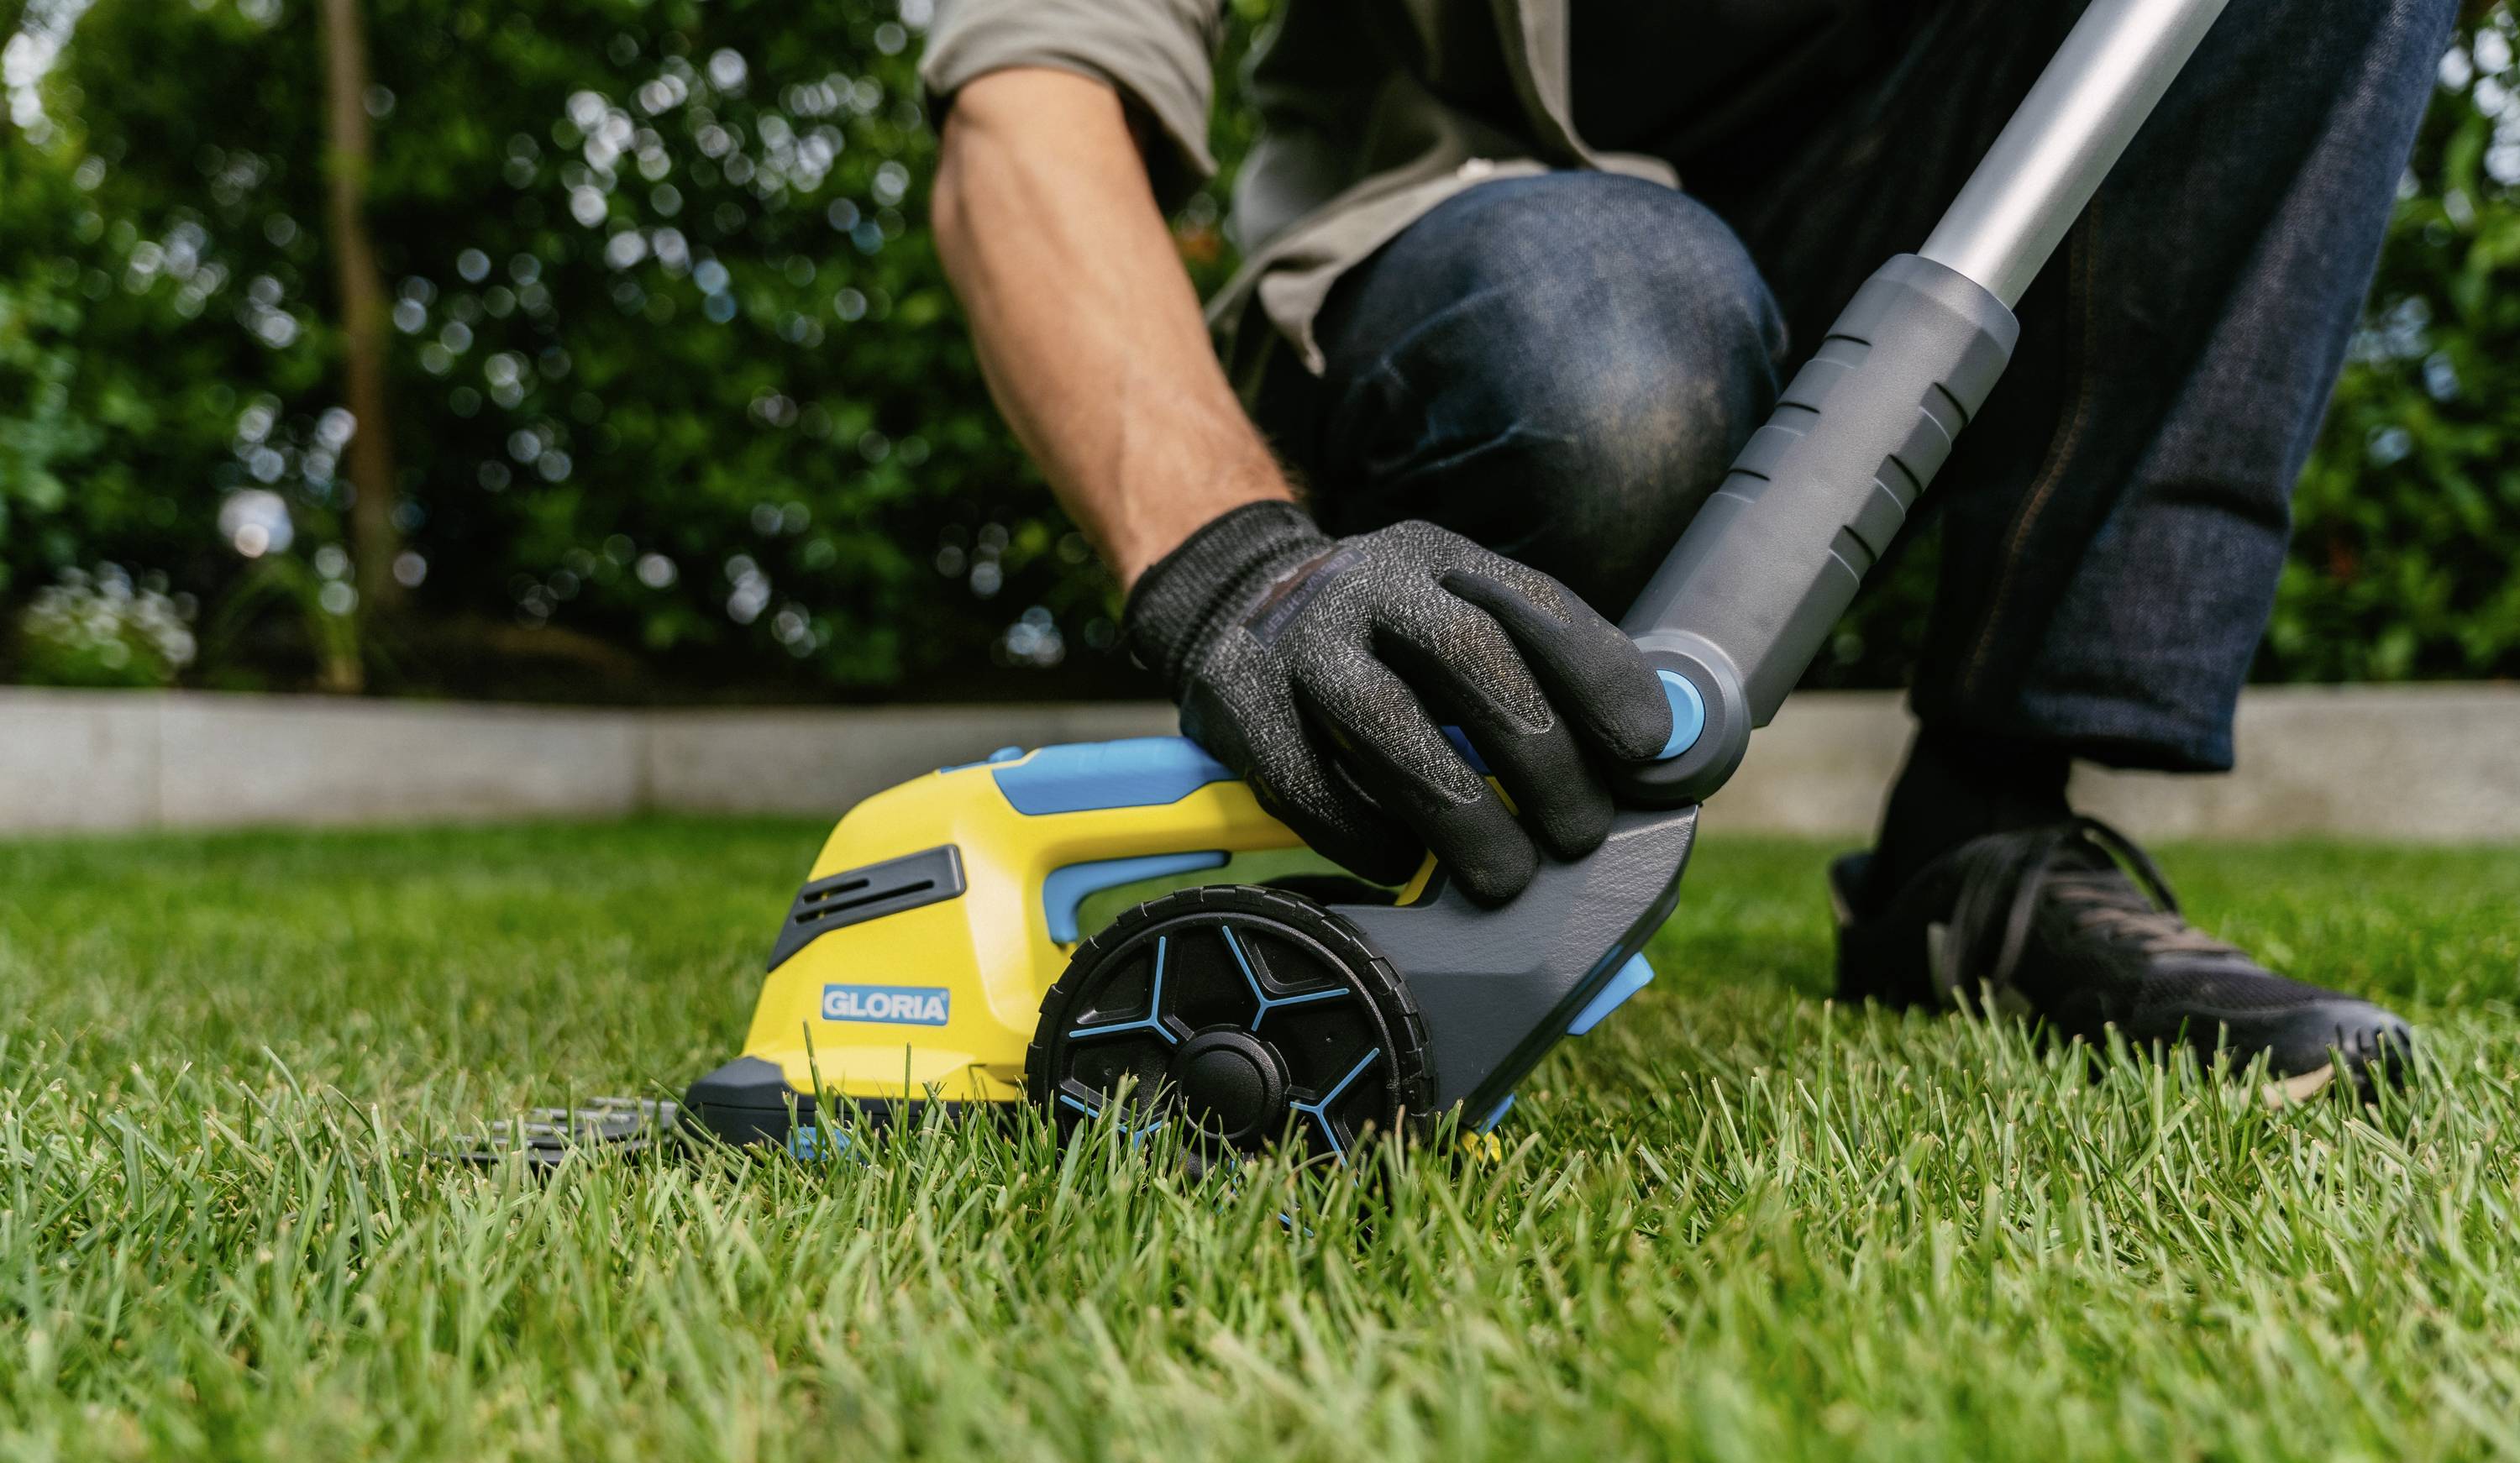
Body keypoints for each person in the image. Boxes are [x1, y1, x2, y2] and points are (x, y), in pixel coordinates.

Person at [921, 0, 2449, 1099]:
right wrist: (1231, 565)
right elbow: (1031, 80)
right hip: (1506, 230)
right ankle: (1426, 789)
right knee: (1614, 378)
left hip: (1947, 151)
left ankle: (1986, 835)